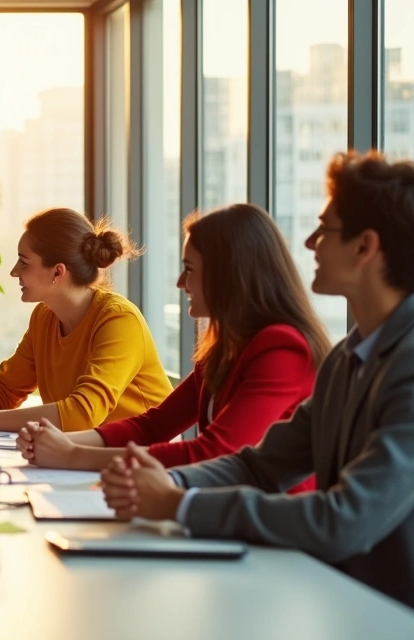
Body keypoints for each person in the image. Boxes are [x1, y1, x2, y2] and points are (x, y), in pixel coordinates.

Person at [101, 151, 414, 608]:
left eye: (324, 230)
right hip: (337, 596)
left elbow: (343, 520)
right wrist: (171, 484)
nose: (309, 243)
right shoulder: (348, 359)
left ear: (364, 247)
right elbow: (258, 465)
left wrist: (177, 504)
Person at [17, 204, 330, 487]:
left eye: (190, 269)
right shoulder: (223, 349)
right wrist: (62, 443)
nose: (181, 283)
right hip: (223, 515)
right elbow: (152, 427)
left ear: (229, 276)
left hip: (272, 536)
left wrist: (72, 456)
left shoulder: (282, 350)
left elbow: (214, 453)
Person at [0, 208, 171, 433]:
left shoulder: (119, 320)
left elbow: (83, 413)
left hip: (145, 464)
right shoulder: (44, 317)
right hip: (85, 458)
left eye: (24, 262)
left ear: (57, 272)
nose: (14, 271)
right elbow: (4, 388)